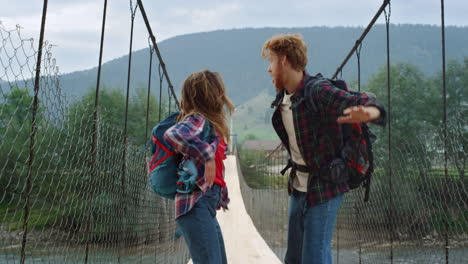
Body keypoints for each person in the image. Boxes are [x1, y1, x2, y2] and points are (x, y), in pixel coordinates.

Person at [261, 34, 386, 264]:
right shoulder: (284, 100)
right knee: (294, 259)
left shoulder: (318, 91)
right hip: (299, 185)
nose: (269, 70)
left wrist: (371, 113)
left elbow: (365, 100)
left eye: (271, 62)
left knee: (314, 257)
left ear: (285, 60)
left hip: (326, 184)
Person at [163, 70, 234, 264]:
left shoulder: (211, 125)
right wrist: (207, 156)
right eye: (219, 91)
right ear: (211, 95)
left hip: (205, 205)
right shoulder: (198, 119)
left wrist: (222, 196)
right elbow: (173, 134)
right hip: (195, 204)